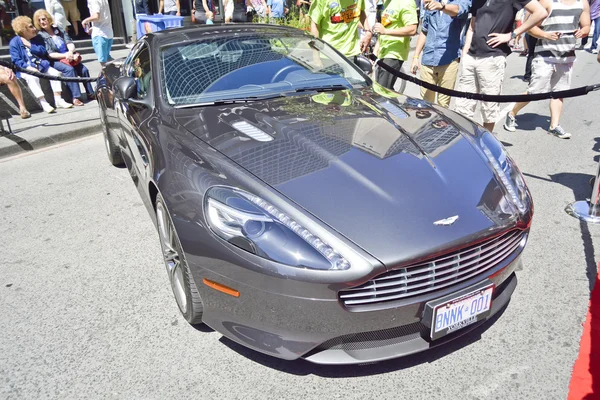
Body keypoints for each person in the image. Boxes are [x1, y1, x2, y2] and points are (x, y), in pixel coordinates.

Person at [452, 0, 547, 132]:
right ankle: (467, 143)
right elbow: (472, 27)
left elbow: (540, 12)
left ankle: (486, 143)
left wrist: (512, 34)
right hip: (471, 58)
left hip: (492, 58)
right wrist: (466, 52)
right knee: (463, 106)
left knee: (489, 107)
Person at [504, 0, 590, 139]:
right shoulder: (547, 1)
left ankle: (554, 126)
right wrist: (546, 35)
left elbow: (586, 25)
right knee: (535, 91)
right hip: (545, 55)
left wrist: (583, 32)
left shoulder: (582, 3)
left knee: (560, 92)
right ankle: (512, 113)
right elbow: (530, 27)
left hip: (566, 56)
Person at [410, 0, 470, 106]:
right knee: (426, 104)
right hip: (428, 59)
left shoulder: (460, 2)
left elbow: (459, 10)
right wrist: (415, 57)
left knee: (443, 105)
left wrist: (441, 7)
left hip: (449, 60)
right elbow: (424, 31)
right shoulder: (432, 3)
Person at [9, 16, 72, 113]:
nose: (34, 29)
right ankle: (43, 102)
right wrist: (28, 68)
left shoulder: (37, 38)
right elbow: (16, 60)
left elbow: (43, 51)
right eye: (31, 27)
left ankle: (58, 99)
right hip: (24, 68)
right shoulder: (14, 42)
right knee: (32, 78)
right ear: (23, 30)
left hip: (41, 65)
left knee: (55, 73)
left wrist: (30, 45)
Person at [33, 9, 94, 105]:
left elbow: (69, 42)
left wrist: (70, 52)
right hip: (54, 60)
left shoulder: (58, 30)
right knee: (69, 70)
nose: (42, 22)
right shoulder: (41, 36)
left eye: (43, 19)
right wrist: (66, 55)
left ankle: (90, 93)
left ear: (48, 19)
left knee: (84, 70)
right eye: (39, 20)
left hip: (68, 57)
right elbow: (50, 54)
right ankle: (75, 97)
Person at [373, 0, 418, 90]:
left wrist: (386, 31)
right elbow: (382, 29)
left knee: (382, 89)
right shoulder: (386, 3)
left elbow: (412, 29)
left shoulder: (406, 2)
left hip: (394, 53)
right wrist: (376, 49)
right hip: (383, 51)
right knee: (381, 88)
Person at [308, 0, 373, 60]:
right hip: (328, 55)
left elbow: (360, 11)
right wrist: (316, 58)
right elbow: (314, 26)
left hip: (352, 53)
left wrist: (368, 31)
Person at [82, 0, 113, 66]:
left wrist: (86, 20)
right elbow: (104, 16)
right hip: (108, 32)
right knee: (107, 59)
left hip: (100, 34)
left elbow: (96, 16)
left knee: (103, 63)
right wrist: (93, 27)